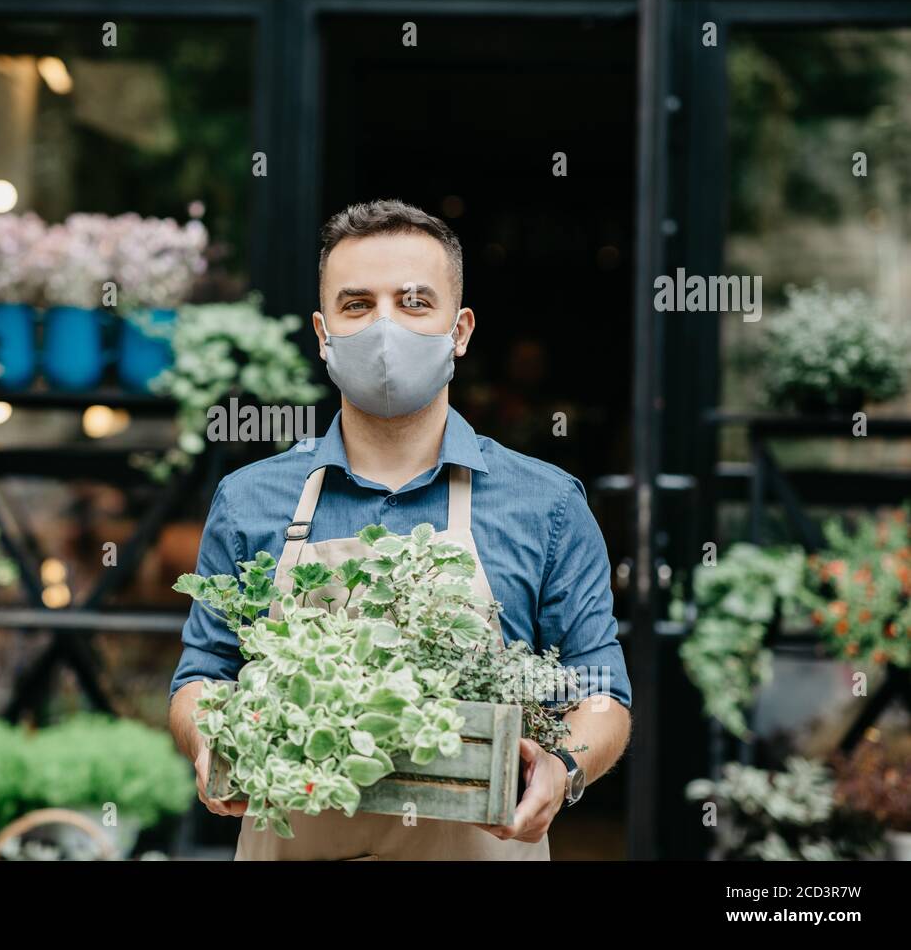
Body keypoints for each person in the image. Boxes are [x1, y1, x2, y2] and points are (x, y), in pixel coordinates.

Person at [168, 199, 632, 860]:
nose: (385, 327)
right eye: (357, 305)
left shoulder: (547, 503)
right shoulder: (250, 499)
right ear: (323, 333)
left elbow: (598, 688)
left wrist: (564, 767)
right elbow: (205, 671)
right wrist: (210, 738)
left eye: (415, 303)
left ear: (460, 329)